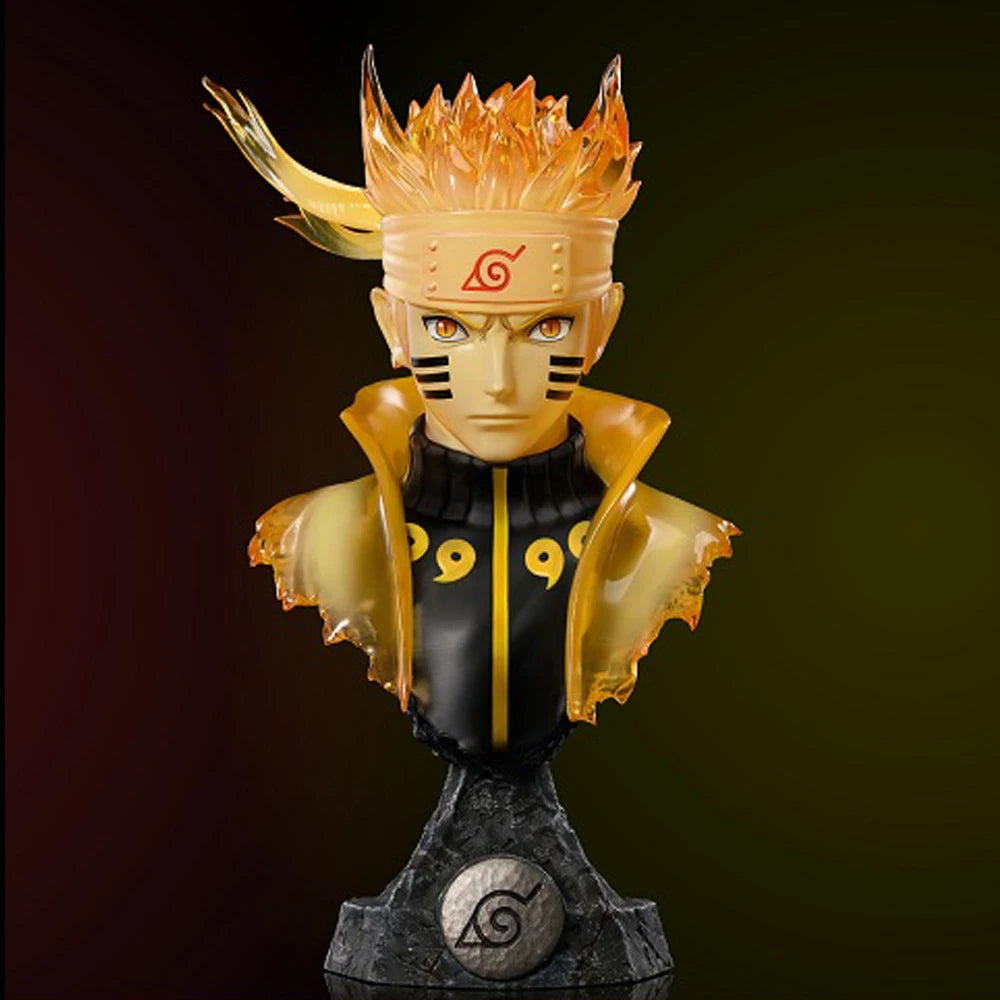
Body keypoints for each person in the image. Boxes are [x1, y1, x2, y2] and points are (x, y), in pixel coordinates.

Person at [206, 49, 738, 774]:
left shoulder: (671, 546)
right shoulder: (315, 540)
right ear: (391, 323)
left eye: (544, 328)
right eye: (447, 328)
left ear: (603, 323)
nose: (495, 381)